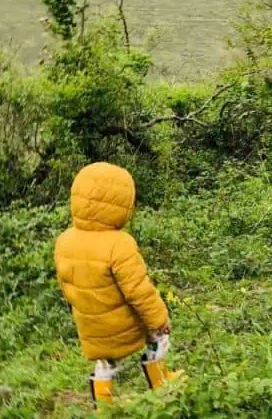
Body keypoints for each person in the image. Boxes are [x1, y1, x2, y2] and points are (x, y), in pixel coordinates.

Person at [53, 162, 184, 406]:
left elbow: (65, 285)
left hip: (91, 324)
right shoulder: (119, 244)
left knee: (105, 363)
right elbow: (138, 291)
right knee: (158, 338)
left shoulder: (64, 241)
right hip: (125, 323)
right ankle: (161, 384)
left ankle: (104, 406)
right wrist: (159, 319)